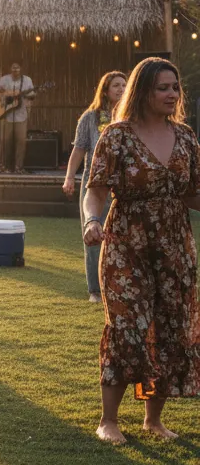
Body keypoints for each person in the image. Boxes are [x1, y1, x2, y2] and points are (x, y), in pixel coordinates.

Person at [83, 57, 200, 445]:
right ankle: (109, 420)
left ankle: (152, 418)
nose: (171, 94)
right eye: (162, 88)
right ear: (143, 91)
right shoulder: (116, 135)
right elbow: (96, 189)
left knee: (167, 332)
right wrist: (92, 221)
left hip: (174, 248)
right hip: (125, 245)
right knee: (126, 330)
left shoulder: (185, 138)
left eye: (175, 88)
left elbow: (192, 193)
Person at [62, 70, 127, 302]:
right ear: (106, 90)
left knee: (121, 236)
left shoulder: (131, 116)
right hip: (94, 181)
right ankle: (95, 291)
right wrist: (70, 176)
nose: (121, 89)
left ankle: (119, 286)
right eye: (116, 85)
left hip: (123, 182)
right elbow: (79, 150)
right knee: (92, 233)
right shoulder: (90, 117)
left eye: (124, 85)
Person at [0, 61, 35, 173]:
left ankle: (18, 167)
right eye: (13, 68)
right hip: (6, 115)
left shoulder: (27, 80)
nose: (15, 70)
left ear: (21, 69)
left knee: (21, 142)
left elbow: (33, 95)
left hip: (21, 115)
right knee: (5, 142)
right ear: (10, 69)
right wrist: (3, 96)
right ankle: (2, 167)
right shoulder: (4, 80)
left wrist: (29, 95)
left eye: (17, 68)